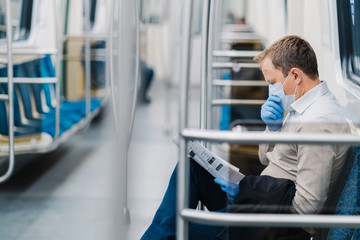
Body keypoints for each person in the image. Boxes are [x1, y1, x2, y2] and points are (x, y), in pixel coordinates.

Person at [141, 35, 351, 240]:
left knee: (178, 229)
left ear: (295, 76)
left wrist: (249, 193)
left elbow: (306, 209)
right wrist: (273, 128)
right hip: (262, 198)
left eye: (273, 83)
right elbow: (265, 158)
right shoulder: (301, 105)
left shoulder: (317, 123)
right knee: (191, 169)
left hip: (274, 222)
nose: (271, 92)